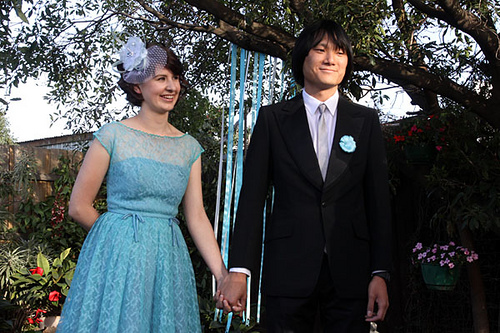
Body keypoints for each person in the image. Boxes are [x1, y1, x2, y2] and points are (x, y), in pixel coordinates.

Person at [217, 19, 392, 332]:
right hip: (287, 271)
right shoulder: (273, 119)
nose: (330, 59)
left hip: (351, 274)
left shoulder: (365, 121)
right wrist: (239, 269)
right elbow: (252, 198)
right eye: (321, 49)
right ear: (302, 58)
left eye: (339, 52)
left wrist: (380, 273)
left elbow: (378, 203)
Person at [57, 37, 227, 332]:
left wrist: (222, 274)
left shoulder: (189, 147)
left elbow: (196, 216)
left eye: (175, 78)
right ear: (138, 86)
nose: (172, 87)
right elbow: (78, 207)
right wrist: (120, 242)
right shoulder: (112, 136)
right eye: (161, 78)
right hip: (118, 262)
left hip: (168, 261)